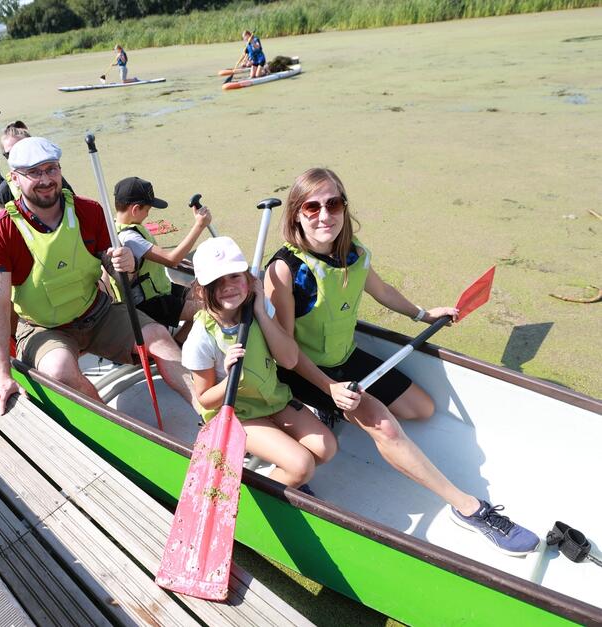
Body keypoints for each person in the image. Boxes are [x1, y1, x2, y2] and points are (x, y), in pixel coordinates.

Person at [264, 167, 539, 555]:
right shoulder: (285, 270)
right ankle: (469, 509)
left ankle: (325, 411)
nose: (324, 215)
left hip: (342, 359)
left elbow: (380, 289)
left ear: (344, 208)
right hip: (303, 372)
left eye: (334, 203)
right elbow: (286, 351)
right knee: (387, 429)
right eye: (312, 207)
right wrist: (329, 389)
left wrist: (423, 314)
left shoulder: (352, 251)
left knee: (421, 409)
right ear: (295, 214)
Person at [0, 137, 197, 418]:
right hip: (43, 328)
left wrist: (126, 265)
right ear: (14, 179)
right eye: (34, 172)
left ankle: (204, 410)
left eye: (51, 169)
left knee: (158, 335)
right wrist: (1, 375)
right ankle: (120, 427)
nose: (45, 179)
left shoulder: (90, 211)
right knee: (59, 370)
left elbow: (117, 270)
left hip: (98, 311)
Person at [183, 237, 336, 489]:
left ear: (249, 280)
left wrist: (262, 313)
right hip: (236, 412)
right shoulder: (201, 336)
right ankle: (259, 490)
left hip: (271, 398)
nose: (228, 286)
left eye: (234, 276)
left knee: (325, 448)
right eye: (215, 282)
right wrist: (231, 377)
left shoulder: (258, 307)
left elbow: (288, 359)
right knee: (302, 465)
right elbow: (205, 399)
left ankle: (281, 480)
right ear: (200, 289)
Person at [111, 176, 210, 340]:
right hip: (149, 303)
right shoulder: (129, 237)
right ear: (135, 209)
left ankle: (182, 338)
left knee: (204, 295)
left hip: (159, 288)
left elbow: (154, 255)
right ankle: (178, 345)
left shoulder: (119, 224)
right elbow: (172, 259)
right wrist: (199, 225)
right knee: (208, 311)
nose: (148, 214)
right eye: (147, 210)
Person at [0, 122, 74, 205]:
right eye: (10, 154)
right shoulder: (5, 191)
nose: (45, 181)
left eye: (24, 150)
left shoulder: (54, 180)